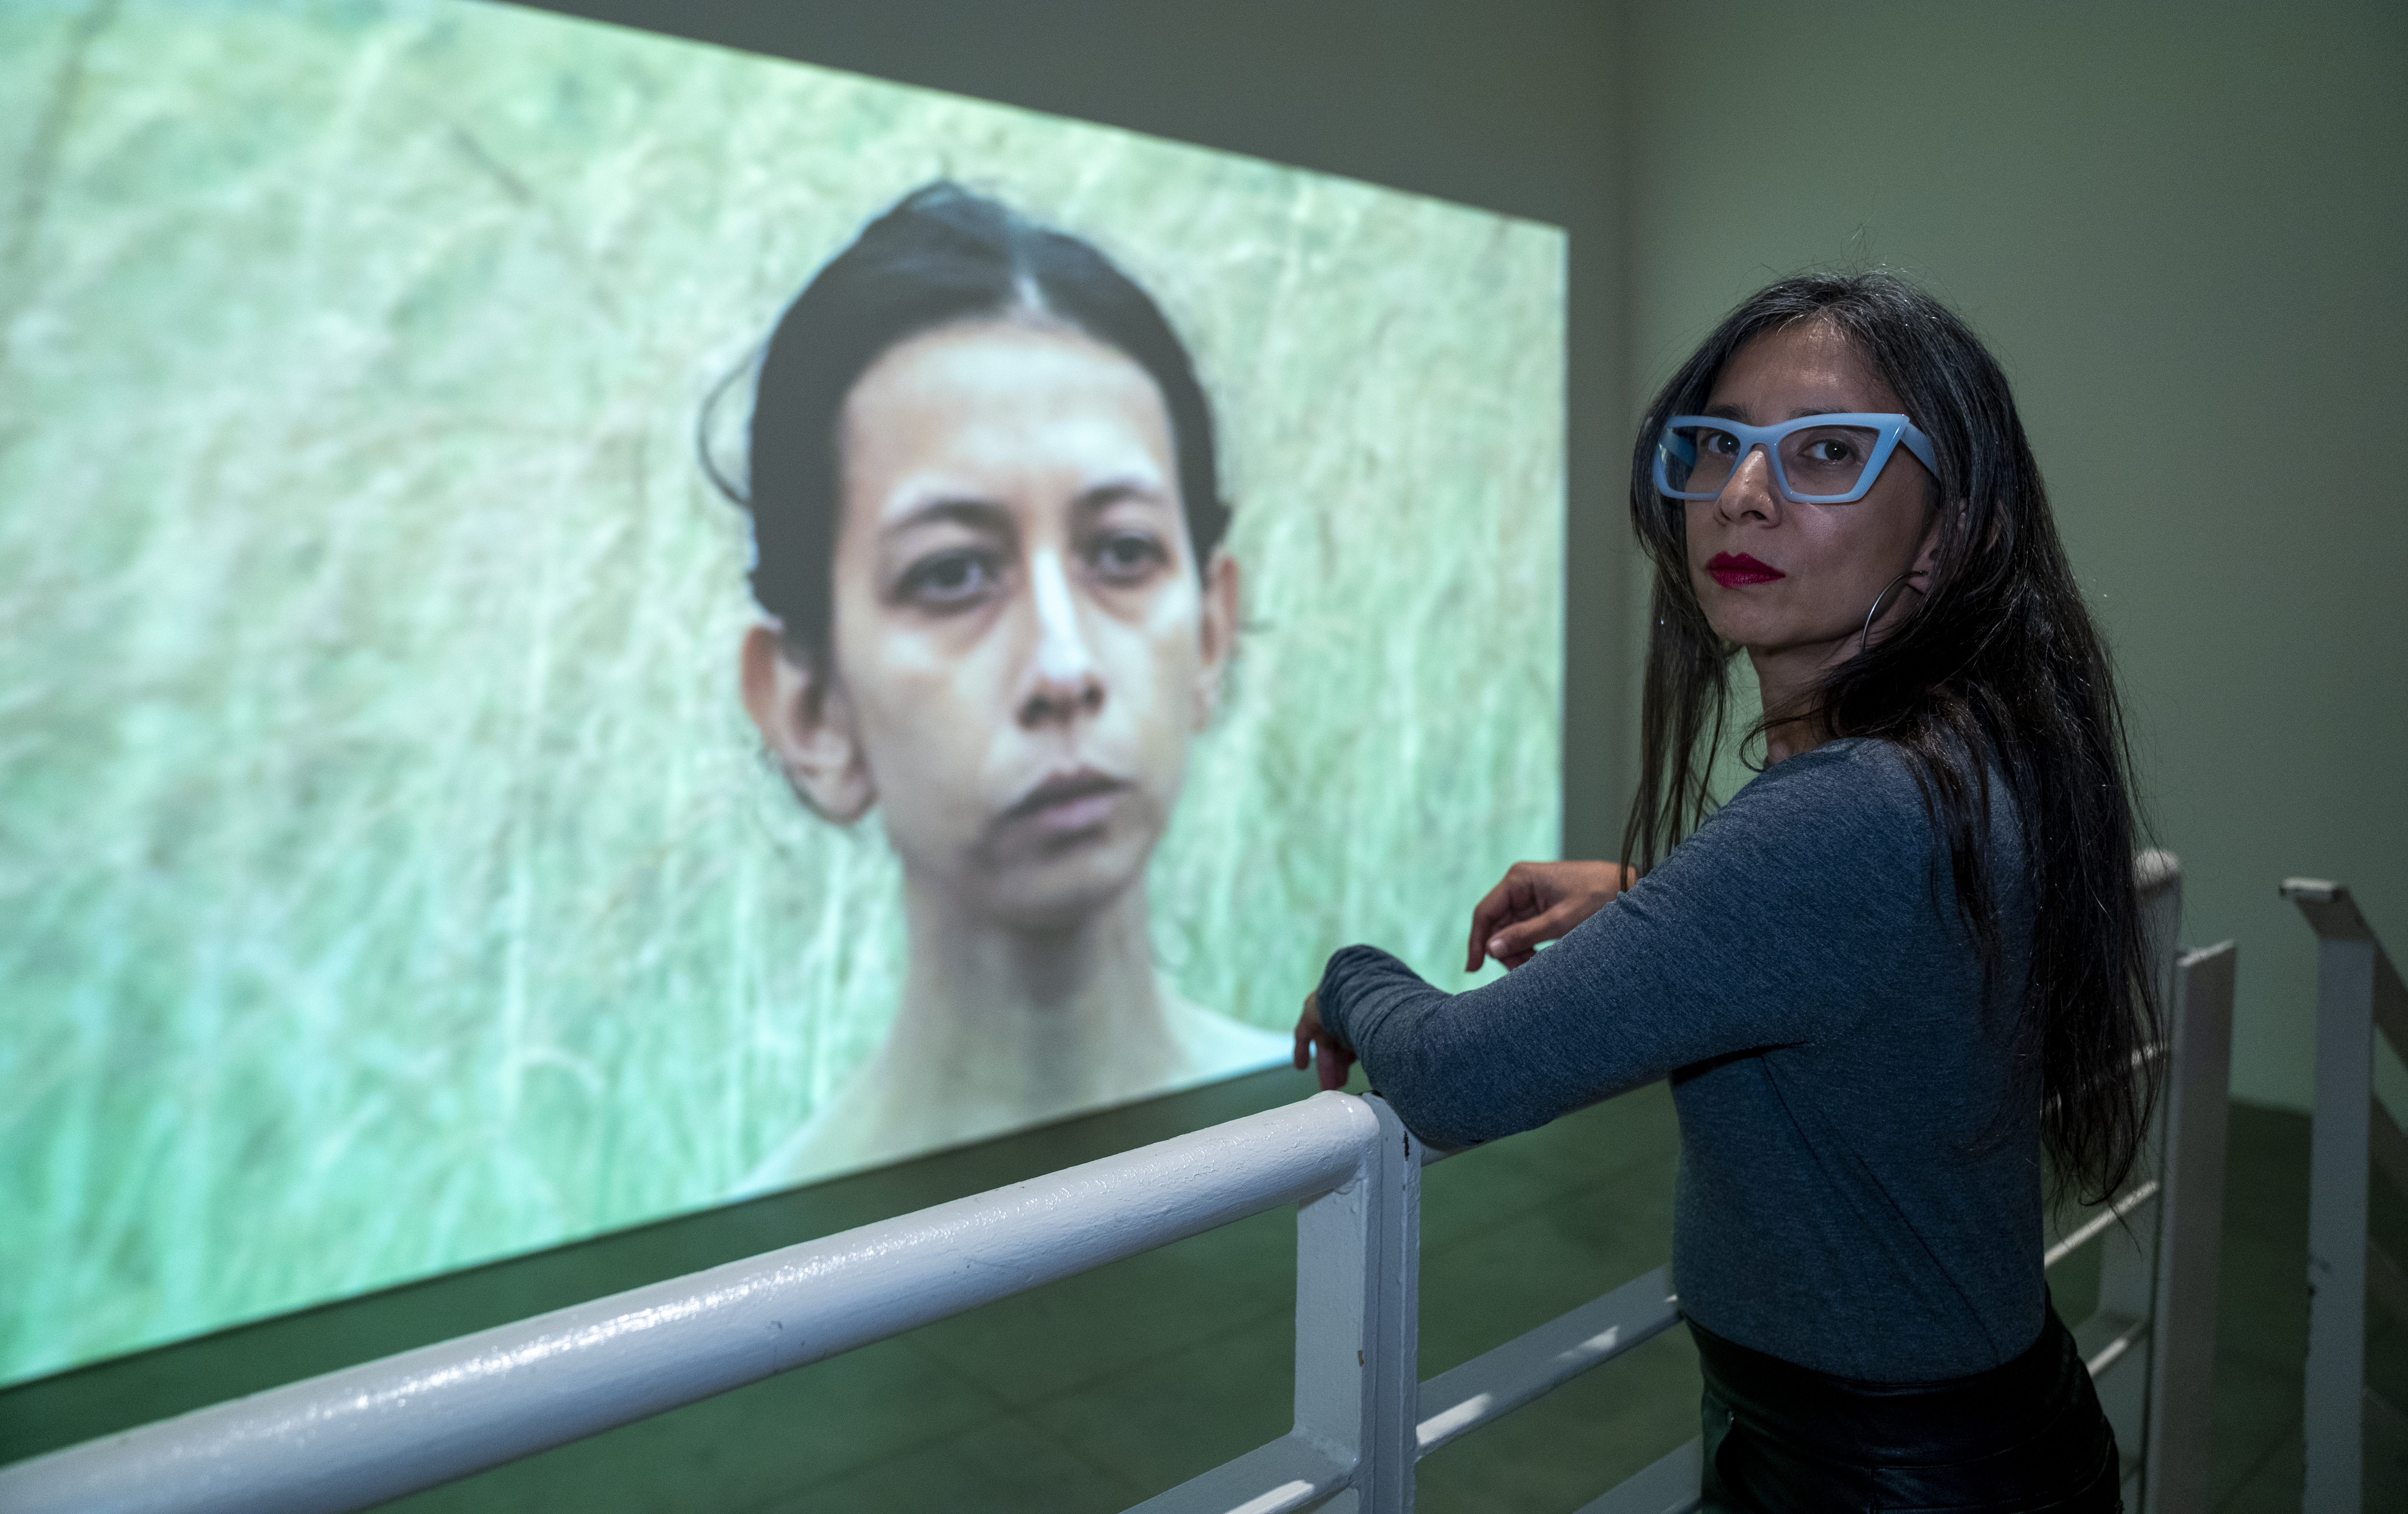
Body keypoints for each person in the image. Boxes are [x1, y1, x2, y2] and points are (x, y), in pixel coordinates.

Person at [1293, 273, 2151, 1509]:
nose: (1744, 494)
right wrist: (1655, 901)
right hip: (1970, 1438)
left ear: (1957, 531)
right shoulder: (1973, 752)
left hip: (1874, 1476)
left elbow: (1459, 1074)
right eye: (1718, 448)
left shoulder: (1850, 812)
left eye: (1829, 452)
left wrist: (1354, 973)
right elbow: (1878, 958)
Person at [721, 182, 1286, 1192]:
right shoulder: (750, 1298)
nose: (1064, 669)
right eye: (951, 574)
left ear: (1209, 631)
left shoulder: (1334, 1157)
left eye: (1122, 552)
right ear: (807, 707)